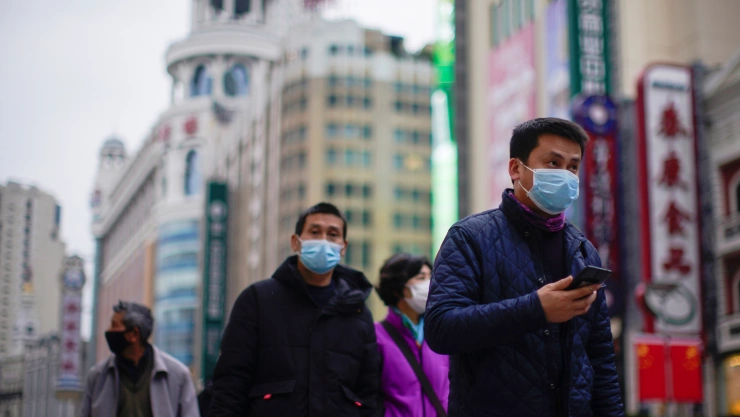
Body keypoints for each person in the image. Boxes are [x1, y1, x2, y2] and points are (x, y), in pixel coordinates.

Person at [425, 118, 624, 417]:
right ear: (516, 169)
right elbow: (441, 328)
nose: (565, 175)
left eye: (572, 167)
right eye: (553, 163)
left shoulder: (584, 251)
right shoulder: (470, 237)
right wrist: (536, 309)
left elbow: (600, 359)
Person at [208, 202, 380, 417]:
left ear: (343, 247)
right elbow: (230, 382)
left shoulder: (358, 314)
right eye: (314, 232)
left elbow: (369, 395)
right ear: (295, 242)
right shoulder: (257, 300)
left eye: (333, 234)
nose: (323, 240)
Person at [80, 301, 199, 417]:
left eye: (114, 325)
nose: (108, 330)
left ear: (134, 334)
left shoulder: (178, 375)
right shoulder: (97, 376)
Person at [375, 254, 449, 417]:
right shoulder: (377, 338)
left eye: (431, 277)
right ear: (397, 289)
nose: (430, 284)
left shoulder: (442, 335)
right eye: (421, 277)